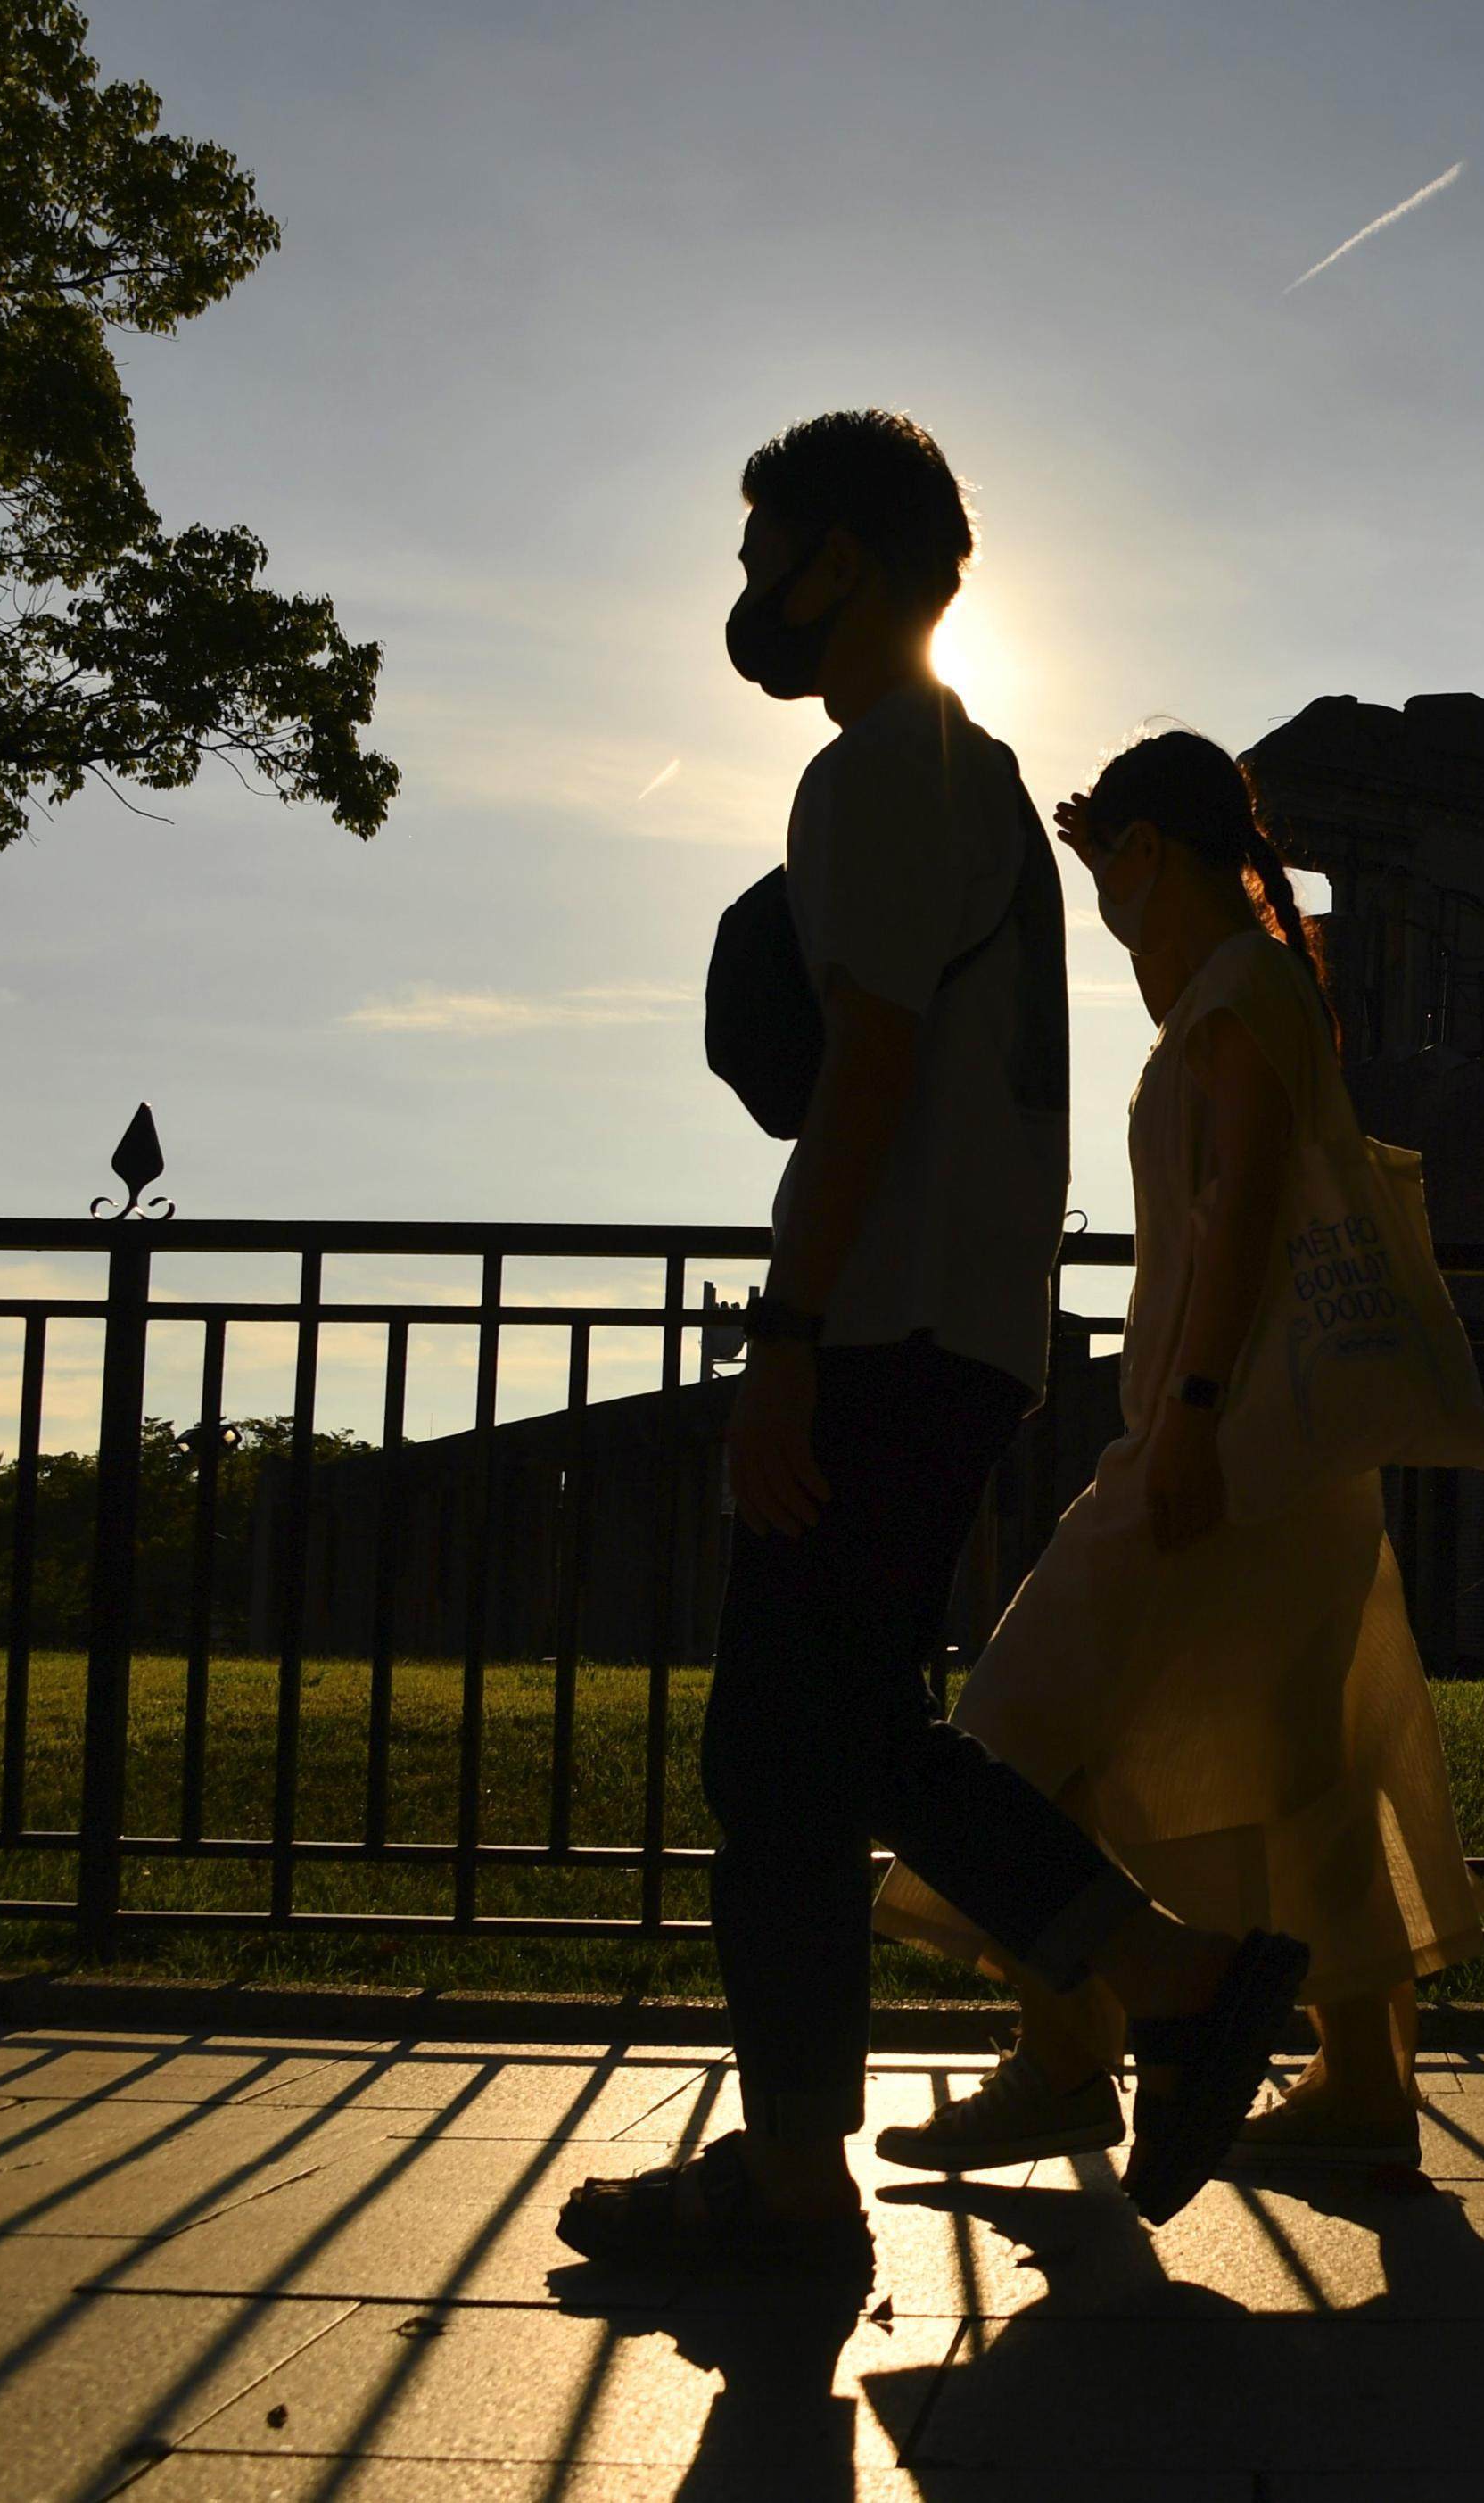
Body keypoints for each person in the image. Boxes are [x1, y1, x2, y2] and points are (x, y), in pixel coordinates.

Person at [556, 416, 1306, 2275]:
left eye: (770, 545)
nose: (749, 585)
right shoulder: (977, 774)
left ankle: (1140, 2000)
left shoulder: (880, 769)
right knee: (831, 1740)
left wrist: (786, 1335)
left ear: (850, 565)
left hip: (880, 1325)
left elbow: (868, 1078)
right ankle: (1100, 2012)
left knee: (782, 1741)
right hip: (967, 1326)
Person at [870, 728, 1483, 2174]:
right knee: (1303, 1758)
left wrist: (1193, 1411)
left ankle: (1076, 2048)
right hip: (1269, 1449)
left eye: (1114, 864)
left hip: (1217, 1444)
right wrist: (1136, 878)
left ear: (1150, 851)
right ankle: (1355, 2087)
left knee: (1015, 1727)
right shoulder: (1247, 984)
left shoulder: (1237, 994)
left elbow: (1248, 1207)